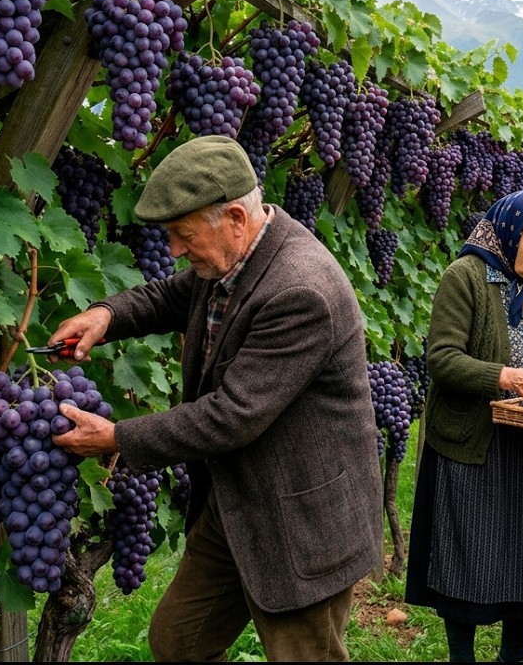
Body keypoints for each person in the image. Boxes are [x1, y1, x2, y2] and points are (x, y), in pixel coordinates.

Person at [48, 135, 384, 662]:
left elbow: (233, 415)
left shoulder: (300, 290)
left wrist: (117, 437)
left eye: (183, 236)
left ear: (234, 217)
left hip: (301, 519)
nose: (176, 251)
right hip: (239, 501)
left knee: (303, 656)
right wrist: (105, 315)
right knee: (180, 641)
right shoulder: (234, 257)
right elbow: (170, 295)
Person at [404, 188, 523, 662]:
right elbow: (443, 359)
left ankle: (514, 652)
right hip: (475, 444)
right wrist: (504, 376)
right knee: (468, 553)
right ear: (510, 231)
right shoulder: (465, 277)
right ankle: (462, 656)